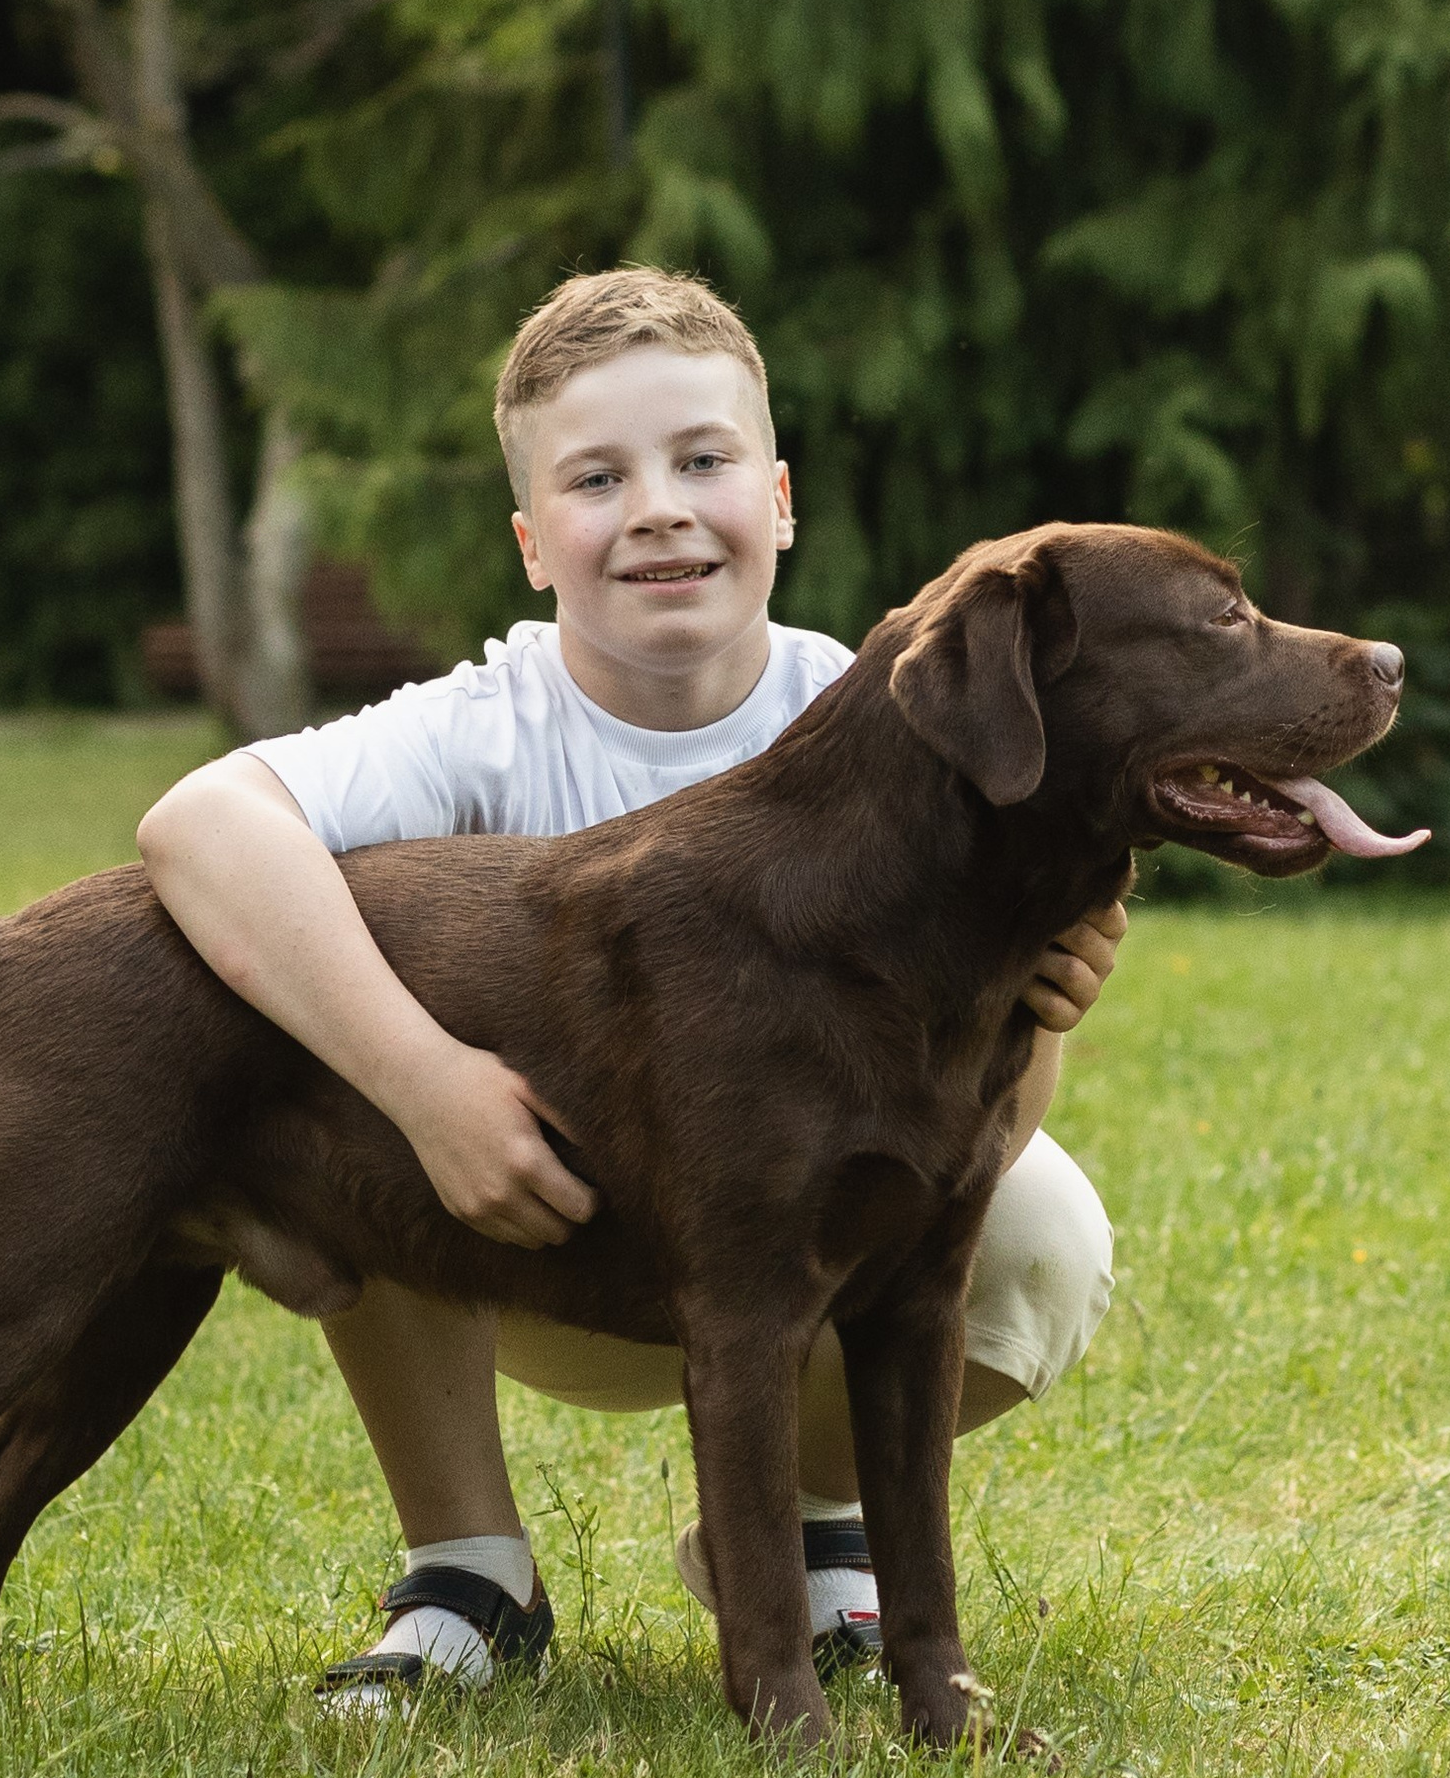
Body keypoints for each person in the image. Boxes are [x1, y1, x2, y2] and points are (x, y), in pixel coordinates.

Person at [136, 269, 1123, 1702]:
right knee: (342, 1062)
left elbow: (969, 1123)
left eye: (703, 460)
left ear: (779, 500)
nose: (659, 508)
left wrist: (1043, 998)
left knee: (1042, 1232)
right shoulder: (478, 730)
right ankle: (469, 1572)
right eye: (598, 479)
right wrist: (426, 1083)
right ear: (534, 544)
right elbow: (200, 823)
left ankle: (800, 1532)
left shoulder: (899, 713)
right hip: (528, 1235)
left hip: (800, 1255)